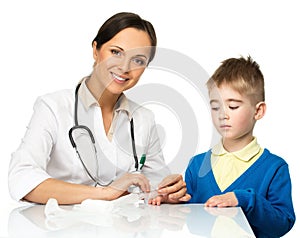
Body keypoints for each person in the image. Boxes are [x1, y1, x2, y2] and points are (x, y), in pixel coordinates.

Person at [8, 12, 190, 205]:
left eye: (138, 60)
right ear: (96, 50)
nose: (124, 67)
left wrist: (166, 192)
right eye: (116, 52)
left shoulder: (143, 118)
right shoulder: (53, 107)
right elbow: (21, 177)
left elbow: (153, 184)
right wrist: (106, 193)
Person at [183, 56, 295, 237]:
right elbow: (187, 220)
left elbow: (282, 224)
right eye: (215, 107)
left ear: (258, 111)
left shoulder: (274, 168)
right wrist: (169, 202)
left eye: (233, 106)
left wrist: (246, 200)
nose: (222, 115)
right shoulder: (196, 165)